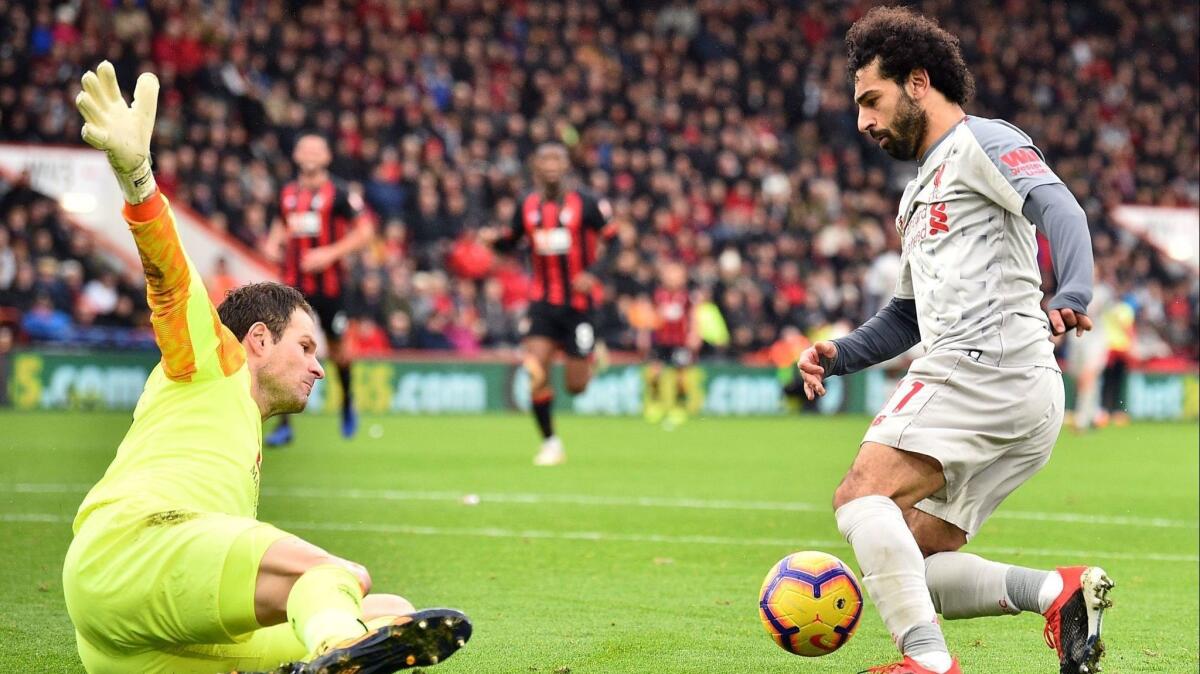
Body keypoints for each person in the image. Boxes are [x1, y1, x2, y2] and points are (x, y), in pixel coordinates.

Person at [64, 61, 470, 674]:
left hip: (136, 641)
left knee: (390, 611)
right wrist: (138, 178)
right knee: (336, 576)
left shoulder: (239, 421)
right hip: (136, 552)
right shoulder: (212, 361)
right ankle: (332, 650)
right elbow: (170, 280)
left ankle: (321, 651)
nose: (318, 367)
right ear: (257, 339)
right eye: (306, 348)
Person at [795, 9, 1112, 674]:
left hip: (984, 367)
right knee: (912, 557)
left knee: (859, 498)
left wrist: (1074, 293)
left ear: (917, 82)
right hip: (1015, 390)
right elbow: (907, 316)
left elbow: (1061, 209)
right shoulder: (916, 195)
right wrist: (840, 353)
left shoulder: (984, 143)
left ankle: (927, 661)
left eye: (871, 101)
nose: (862, 122)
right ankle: (1057, 593)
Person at [486, 143, 616, 466]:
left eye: (557, 158)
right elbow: (510, 241)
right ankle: (551, 443)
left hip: (580, 306)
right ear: (535, 166)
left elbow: (616, 242)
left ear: (567, 165)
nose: (551, 165)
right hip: (542, 303)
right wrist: (493, 242)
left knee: (575, 387)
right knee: (535, 370)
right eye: (545, 159)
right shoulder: (526, 205)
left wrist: (593, 273)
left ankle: (590, 355)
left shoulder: (587, 203)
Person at [263, 134, 374, 446]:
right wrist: (272, 243)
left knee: (338, 350)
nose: (310, 153)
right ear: (297, 155)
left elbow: (366, 231)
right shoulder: (286, 192)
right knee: (283, 348)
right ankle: (283, 424)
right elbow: (280, 224)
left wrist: (330, 253)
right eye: (305, 148)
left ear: (326, 157)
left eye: (317, 149)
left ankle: (348, 401)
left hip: (330, 288)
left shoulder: (339, 193)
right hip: (292, 287)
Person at [641, 261, 700, 429]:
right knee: (654, 373)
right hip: (660, 341)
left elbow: (693, 316)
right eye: (669, 274)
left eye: (676, 275)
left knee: (681, 377)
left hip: (679, 342)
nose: (672, 278)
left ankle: (679, 407)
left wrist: (694, 334)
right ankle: (655, 403)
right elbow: (649, 315)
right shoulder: (657, 295)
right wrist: (644, 334)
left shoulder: (688, 296)